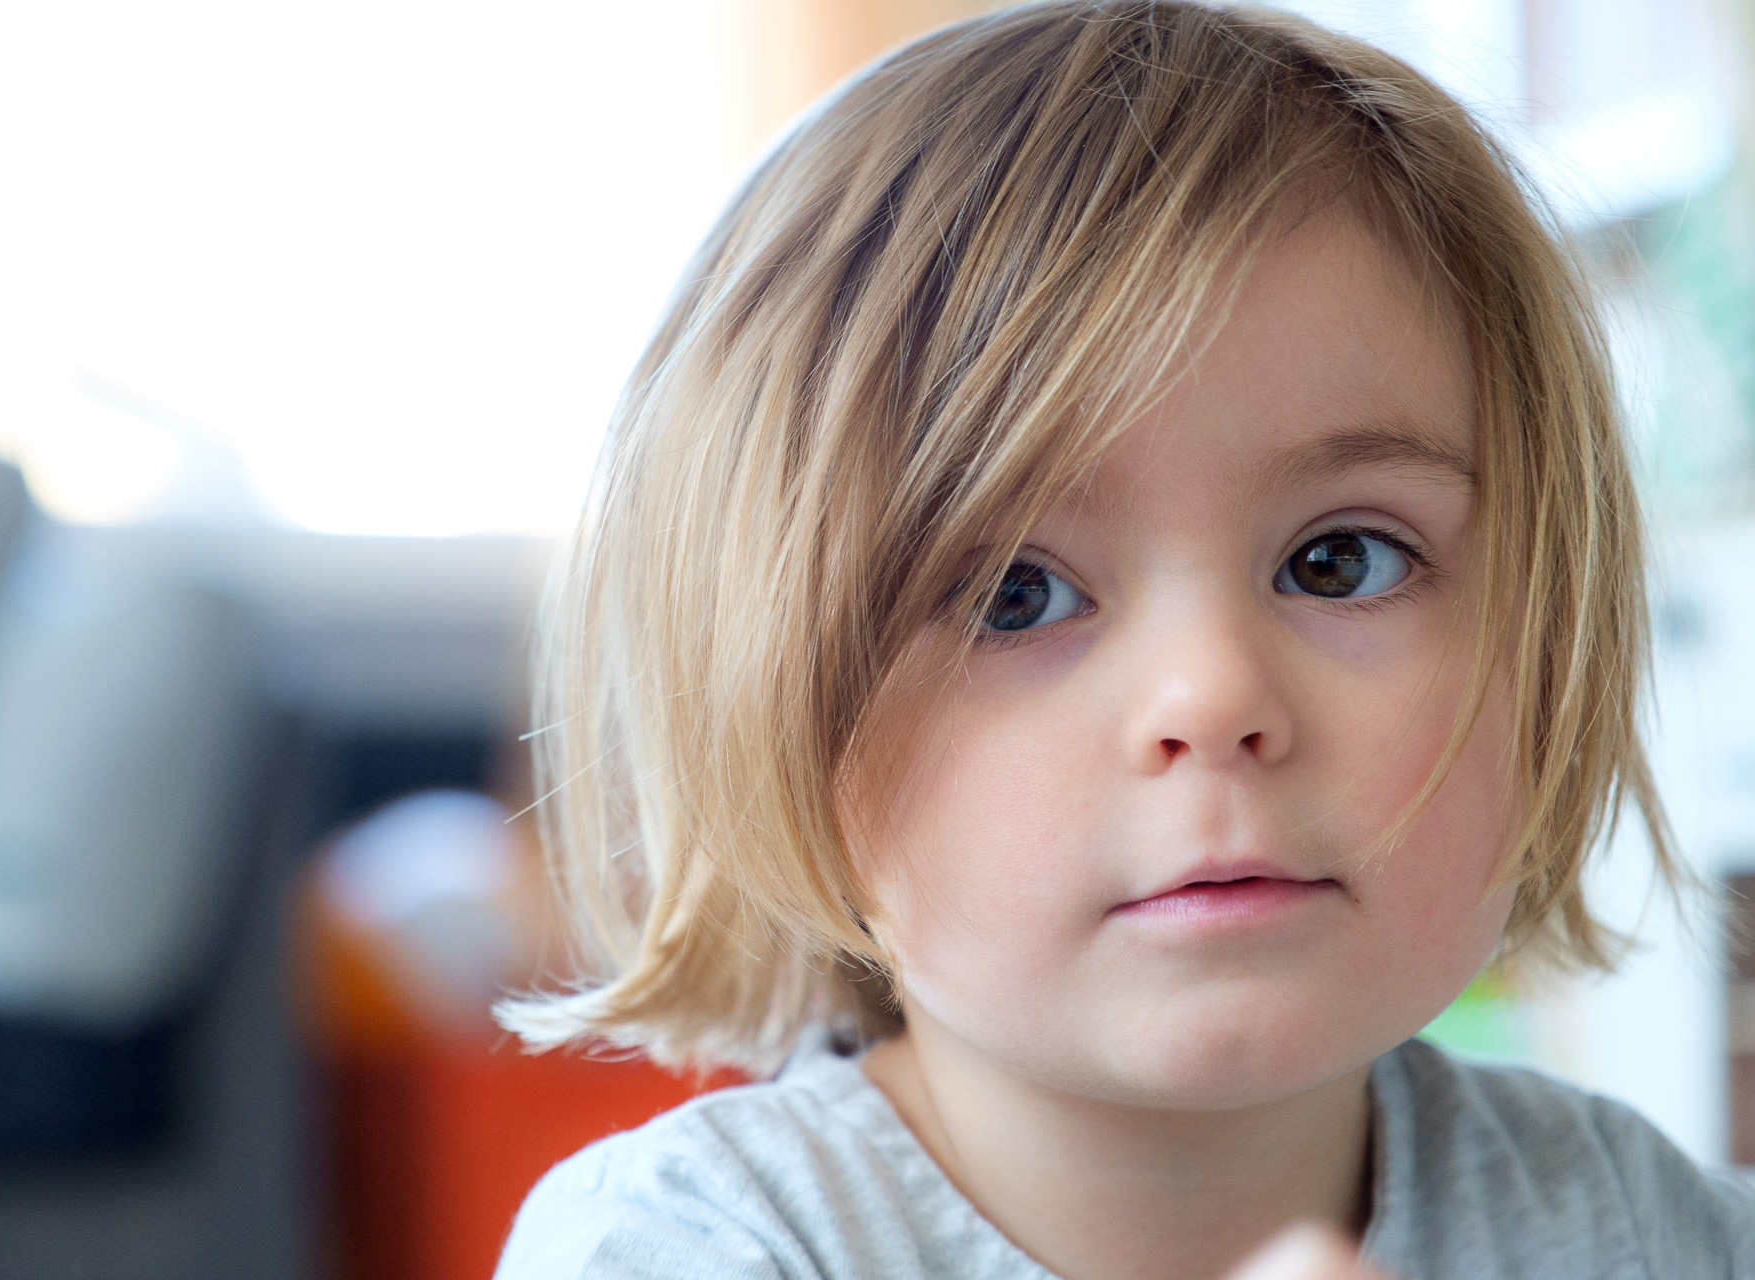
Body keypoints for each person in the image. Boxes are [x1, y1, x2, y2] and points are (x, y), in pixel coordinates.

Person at [492, 3, 1755, 1277]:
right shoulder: (681, 1244)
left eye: (1339, 560)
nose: (1213, 695)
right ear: (767, 701)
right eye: (1013, 594)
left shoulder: (1648, 1227)